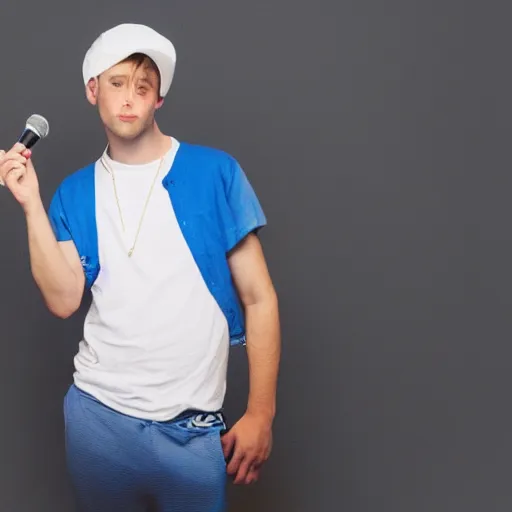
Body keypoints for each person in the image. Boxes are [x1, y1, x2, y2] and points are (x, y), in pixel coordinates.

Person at [0, 23, 280, 512]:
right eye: (116, 83)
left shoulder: (215, 173)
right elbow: (64, 299)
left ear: (158, 100)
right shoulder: (74, 191)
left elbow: (259, 298)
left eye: (143, 86)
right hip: (98, 421)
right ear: (93, 90)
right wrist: (30, 205)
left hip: (193, 434)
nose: (129, 98)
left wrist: (261, 412)